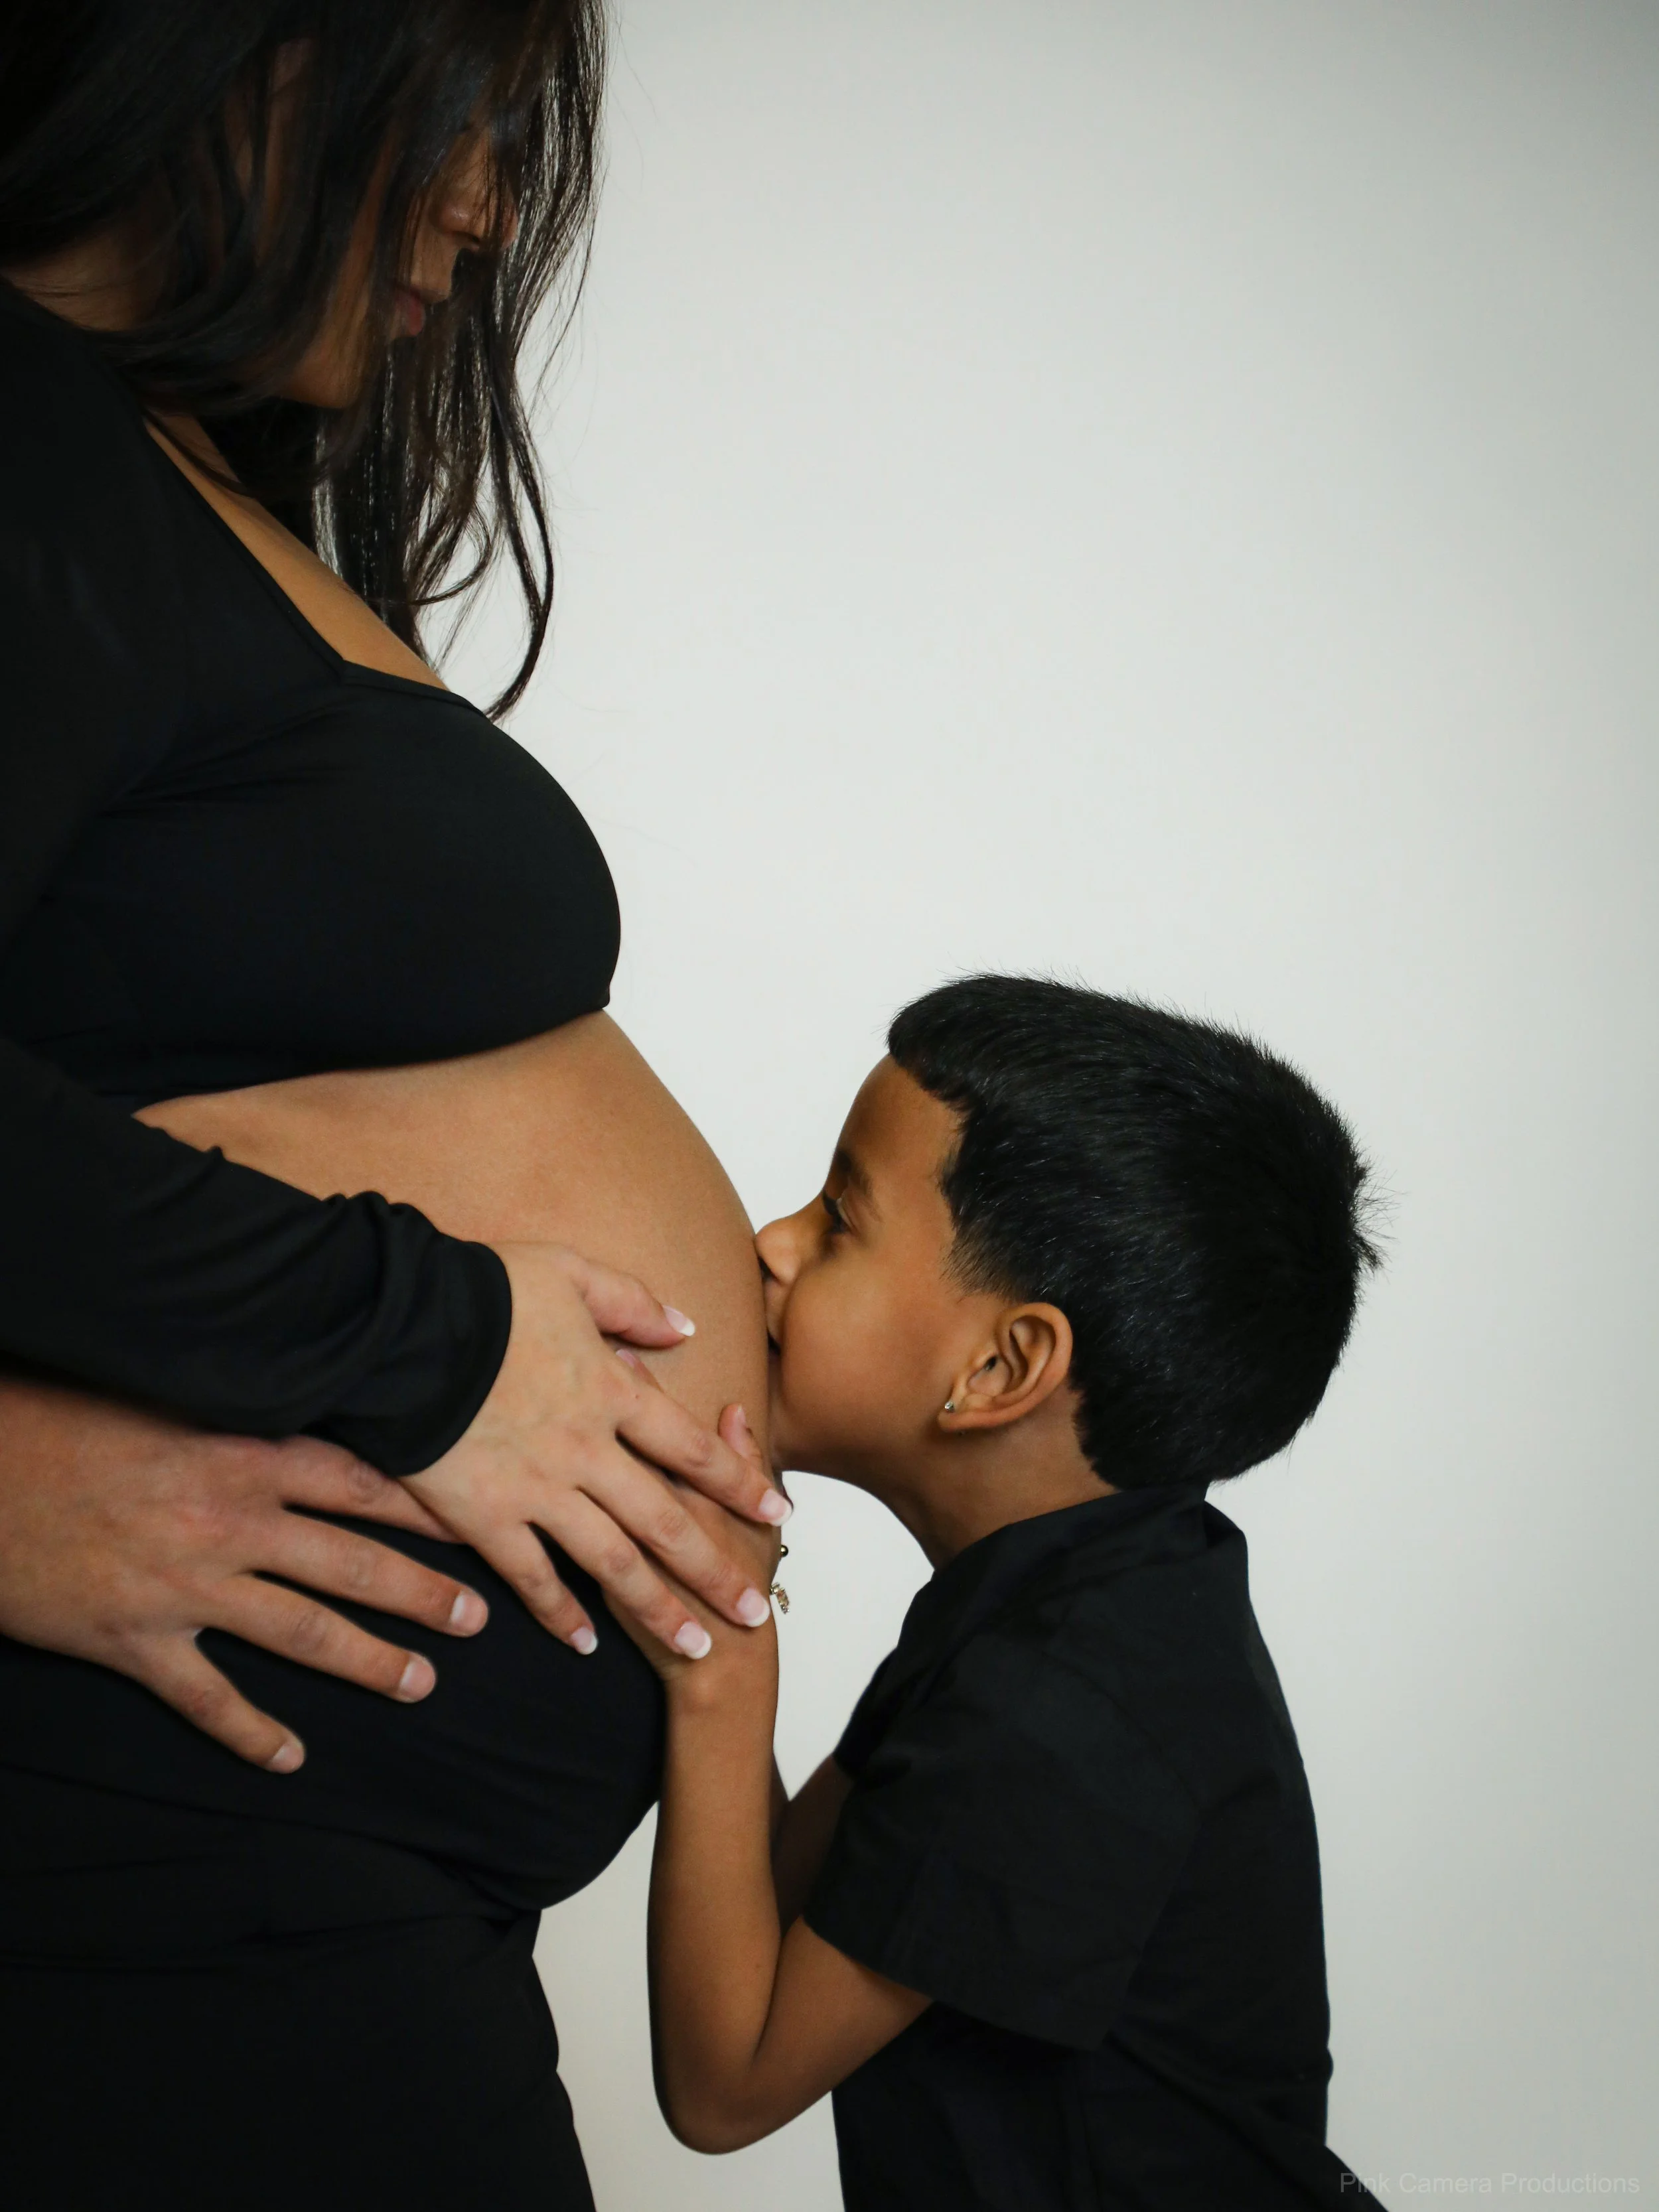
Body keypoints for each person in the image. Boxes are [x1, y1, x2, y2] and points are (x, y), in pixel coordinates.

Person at [0, 6, 788, 2206]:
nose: (486, 193)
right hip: (182, 1870)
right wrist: (433, 1346)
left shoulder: (148, 466)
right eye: (455, 108)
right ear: (235, 50)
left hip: (275, 1882)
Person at [631, 976, 1386, 2210]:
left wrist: (718, 1663)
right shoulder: (1076, 1594)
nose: (770, 1243)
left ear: (1000, 1366)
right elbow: (766, 1912)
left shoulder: (1065, 1706)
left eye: (839, 1220)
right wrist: (715, 1579)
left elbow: (728, 2082)